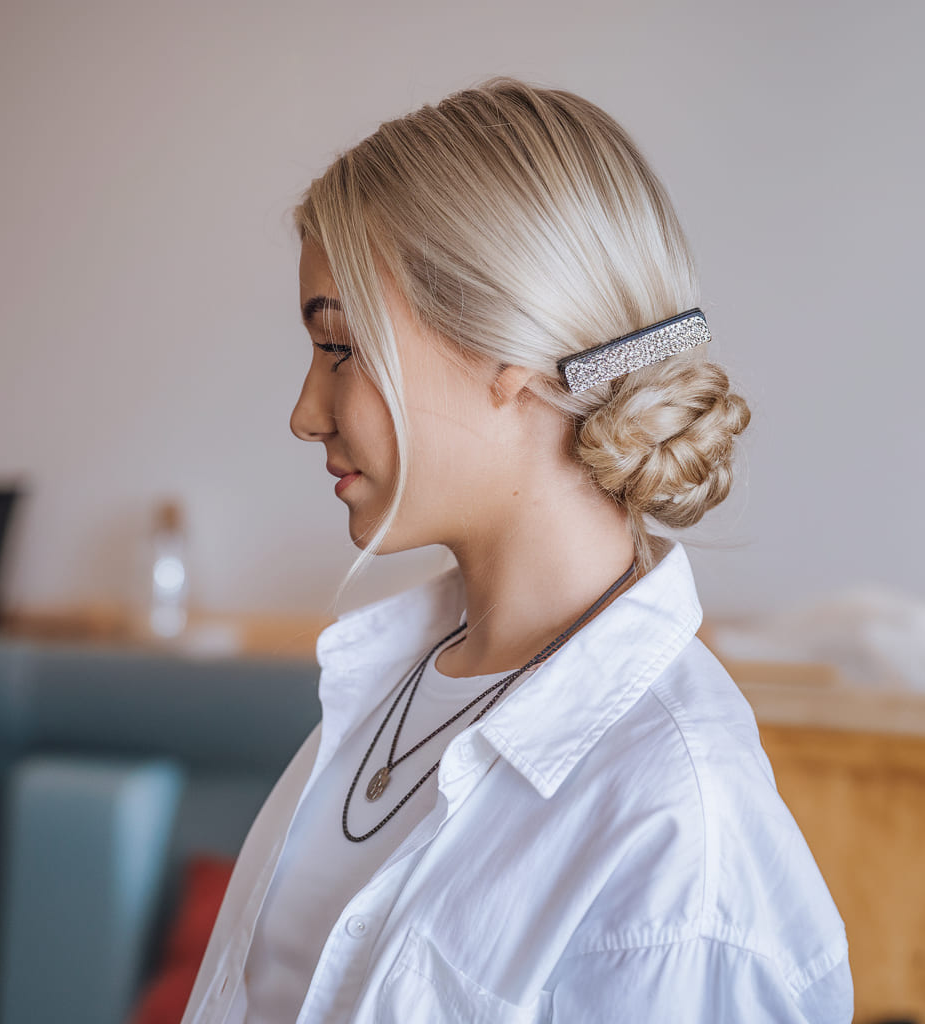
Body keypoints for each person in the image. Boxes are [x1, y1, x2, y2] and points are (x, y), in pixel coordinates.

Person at [182, 79, 852, 1023]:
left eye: (341, 346)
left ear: (514, 351)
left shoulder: (676, 828)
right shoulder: (383, 683)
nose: (304, 413)